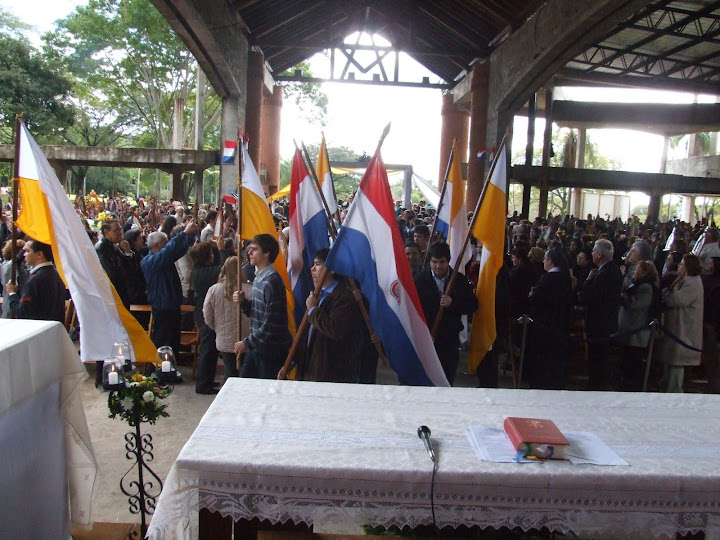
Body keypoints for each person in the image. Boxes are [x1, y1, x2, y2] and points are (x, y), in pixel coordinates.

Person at [282, 248, 374, 383]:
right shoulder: (317, 295)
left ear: (331, 269)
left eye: (317, 264)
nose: (312, 269)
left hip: (330, 372)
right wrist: (292, 361)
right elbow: (306, 334)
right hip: (311, 368)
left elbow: (335, 329)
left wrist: (313, 309)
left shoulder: (344, 297)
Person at [414, 242, 477, 385]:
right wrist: (422, 332)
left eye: (442, 262)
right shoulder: (420, 280)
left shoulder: (459, 280)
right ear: (429, 261)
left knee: (446, 380)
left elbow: (473, 305)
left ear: (448, 261)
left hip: (449, 340)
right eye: (434, 262)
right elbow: (413, 310)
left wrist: (453, 303)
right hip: (427, 338)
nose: (438, 266)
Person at [233, 234, 292, 379]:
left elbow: (271, 324)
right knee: (244, 385)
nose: (249, 252)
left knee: (267, 389)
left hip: (271, 350)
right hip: (258, 346)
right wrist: (244, 302)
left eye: (254, 249)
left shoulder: (271, 282)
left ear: (266, 253)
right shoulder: (259, 277)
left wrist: (246, 343)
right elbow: (256, 313)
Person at [141, 219, 198, 364]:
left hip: (172, 305)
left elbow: (178, 250)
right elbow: (169, 251)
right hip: (162, 306)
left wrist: (190, 235)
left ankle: (171, 368)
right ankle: (158, 368)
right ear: (156, 246)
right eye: (164, 243)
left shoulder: (163, 258)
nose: (167, 246)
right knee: (162, 341)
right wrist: (183, 233)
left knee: (173, 342)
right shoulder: (150, 261)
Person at [525, 247, 574, 390]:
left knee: (544, 361)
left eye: (545, 259)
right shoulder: (565, 278)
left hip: (545, 326)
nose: (543, 262)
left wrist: (531, 296)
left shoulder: (548, 279)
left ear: (550, 261)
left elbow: (536, 299)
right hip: (560, 324)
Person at [578, 238, 623, 390]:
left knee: (598, 357)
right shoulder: (610, 270)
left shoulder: (605, 274)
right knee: (598, 357)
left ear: (600, 254)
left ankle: (596, 386)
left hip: (600, 322)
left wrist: (589, 279)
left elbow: (590, 295)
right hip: (604, 320)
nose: (591, 253)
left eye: (594, 251)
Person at [658, 253, 704, 393]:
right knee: (671, 361)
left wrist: (667, 295)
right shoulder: (682, 279)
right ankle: (666, 386)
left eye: (682, 264)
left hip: (684, 328)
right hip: (676, 326)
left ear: (688, 267)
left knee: (677, 363)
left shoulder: (693, 283)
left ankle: (674, 391)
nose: (679, 265)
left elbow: (677, 300)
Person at [189, 239, 227, 394]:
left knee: (211, 348)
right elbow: (224, 270)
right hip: (206, 313)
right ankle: (203, 384)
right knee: (208, 349)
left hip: (204, 311)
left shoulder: (198, 270)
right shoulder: (203, 273)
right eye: (211, 253)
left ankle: (208, 380)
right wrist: (222, 250)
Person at [616, 260, 660, 391]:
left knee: (633, 362)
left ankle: (632, 387)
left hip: (637, 330)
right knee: (626, 360)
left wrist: (621, 293)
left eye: (637, 270)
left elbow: (634, 304)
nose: (634, 272)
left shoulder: (646, 287)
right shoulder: (636, 284)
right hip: (630, 329)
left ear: (644, 272)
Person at [6, 239, 66, 323]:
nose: (24, 254)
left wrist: (12, 293)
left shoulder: (35, 280)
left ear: (39, 254)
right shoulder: (57, 274)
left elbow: (22, 314)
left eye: (27, 251)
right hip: (55, 327)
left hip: (39, 328)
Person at [203, 256, 241, 385]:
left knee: (230, 369)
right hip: (245, 338)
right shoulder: (249, 288)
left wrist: (218, 328)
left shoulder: (214, 290)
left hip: (225, 336)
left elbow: (207, 315)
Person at [96, 219, 134, 308]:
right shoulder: (102, 248)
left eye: (120, 230)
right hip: (113, 294)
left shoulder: (115, 244)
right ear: (106, 232)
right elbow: (112, 273)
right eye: (116, 230)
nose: (120, 233)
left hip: (123, 292)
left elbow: (130, 266)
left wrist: (128, 252)